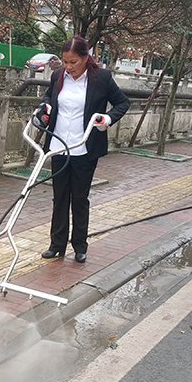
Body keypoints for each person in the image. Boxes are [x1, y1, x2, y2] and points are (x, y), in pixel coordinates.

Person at [33, 35, 130, 263]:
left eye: (73, 62)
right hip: (58, 147)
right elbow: (50, 97)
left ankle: (79, 245)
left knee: (79, 198)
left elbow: (123, 103)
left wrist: (107, 118)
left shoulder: (102, 78)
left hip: (84, 148)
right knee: (59, 198)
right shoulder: (58, 76)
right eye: (65, 62)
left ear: (86, 58)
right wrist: (45, 107)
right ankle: (57, 244)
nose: (68, 67)